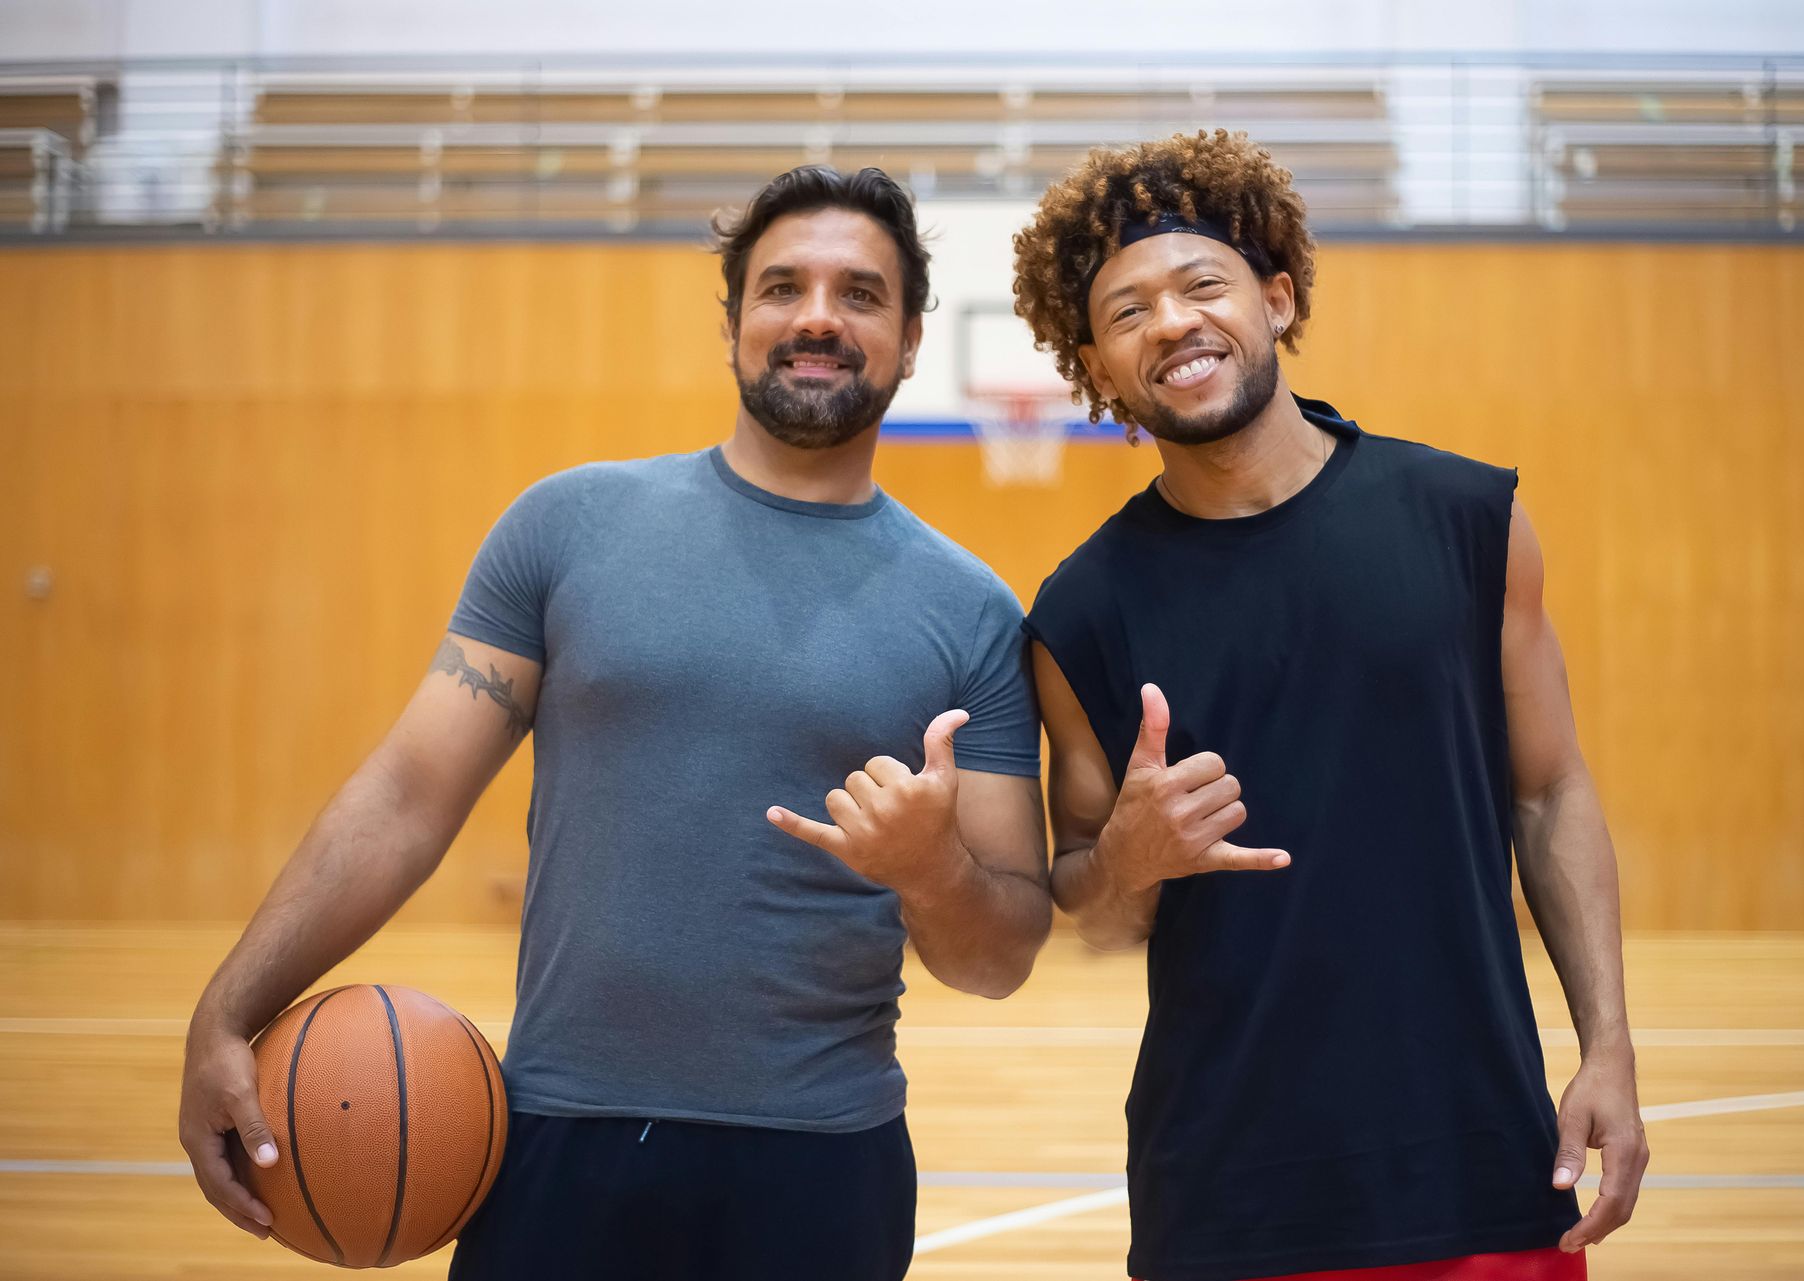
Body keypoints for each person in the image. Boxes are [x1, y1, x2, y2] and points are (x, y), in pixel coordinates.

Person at [177, 164, 1052, 1281]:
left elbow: (1002, 957)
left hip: (821, 1167)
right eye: (783, 287)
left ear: (915, 336)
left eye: (861, 293)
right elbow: (405, 799)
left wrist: (934, 875)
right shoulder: (566, 528)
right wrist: (226, 1012)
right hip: (552, 1141)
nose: (819, 317)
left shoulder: (970, 612)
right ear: (734, 320)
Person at [1010, 131, 1647, 1281]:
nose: (1171, 322)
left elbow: (1550, 793)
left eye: (1202, 284)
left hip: (1486, 1166)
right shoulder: (1082, 610)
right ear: (1097, 370)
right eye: (1125, 313)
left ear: (1277, 294)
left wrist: (1610, 1049)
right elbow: (1087, 904)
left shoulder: (1468, 518)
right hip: (1228, 1194)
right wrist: (1131, 859)